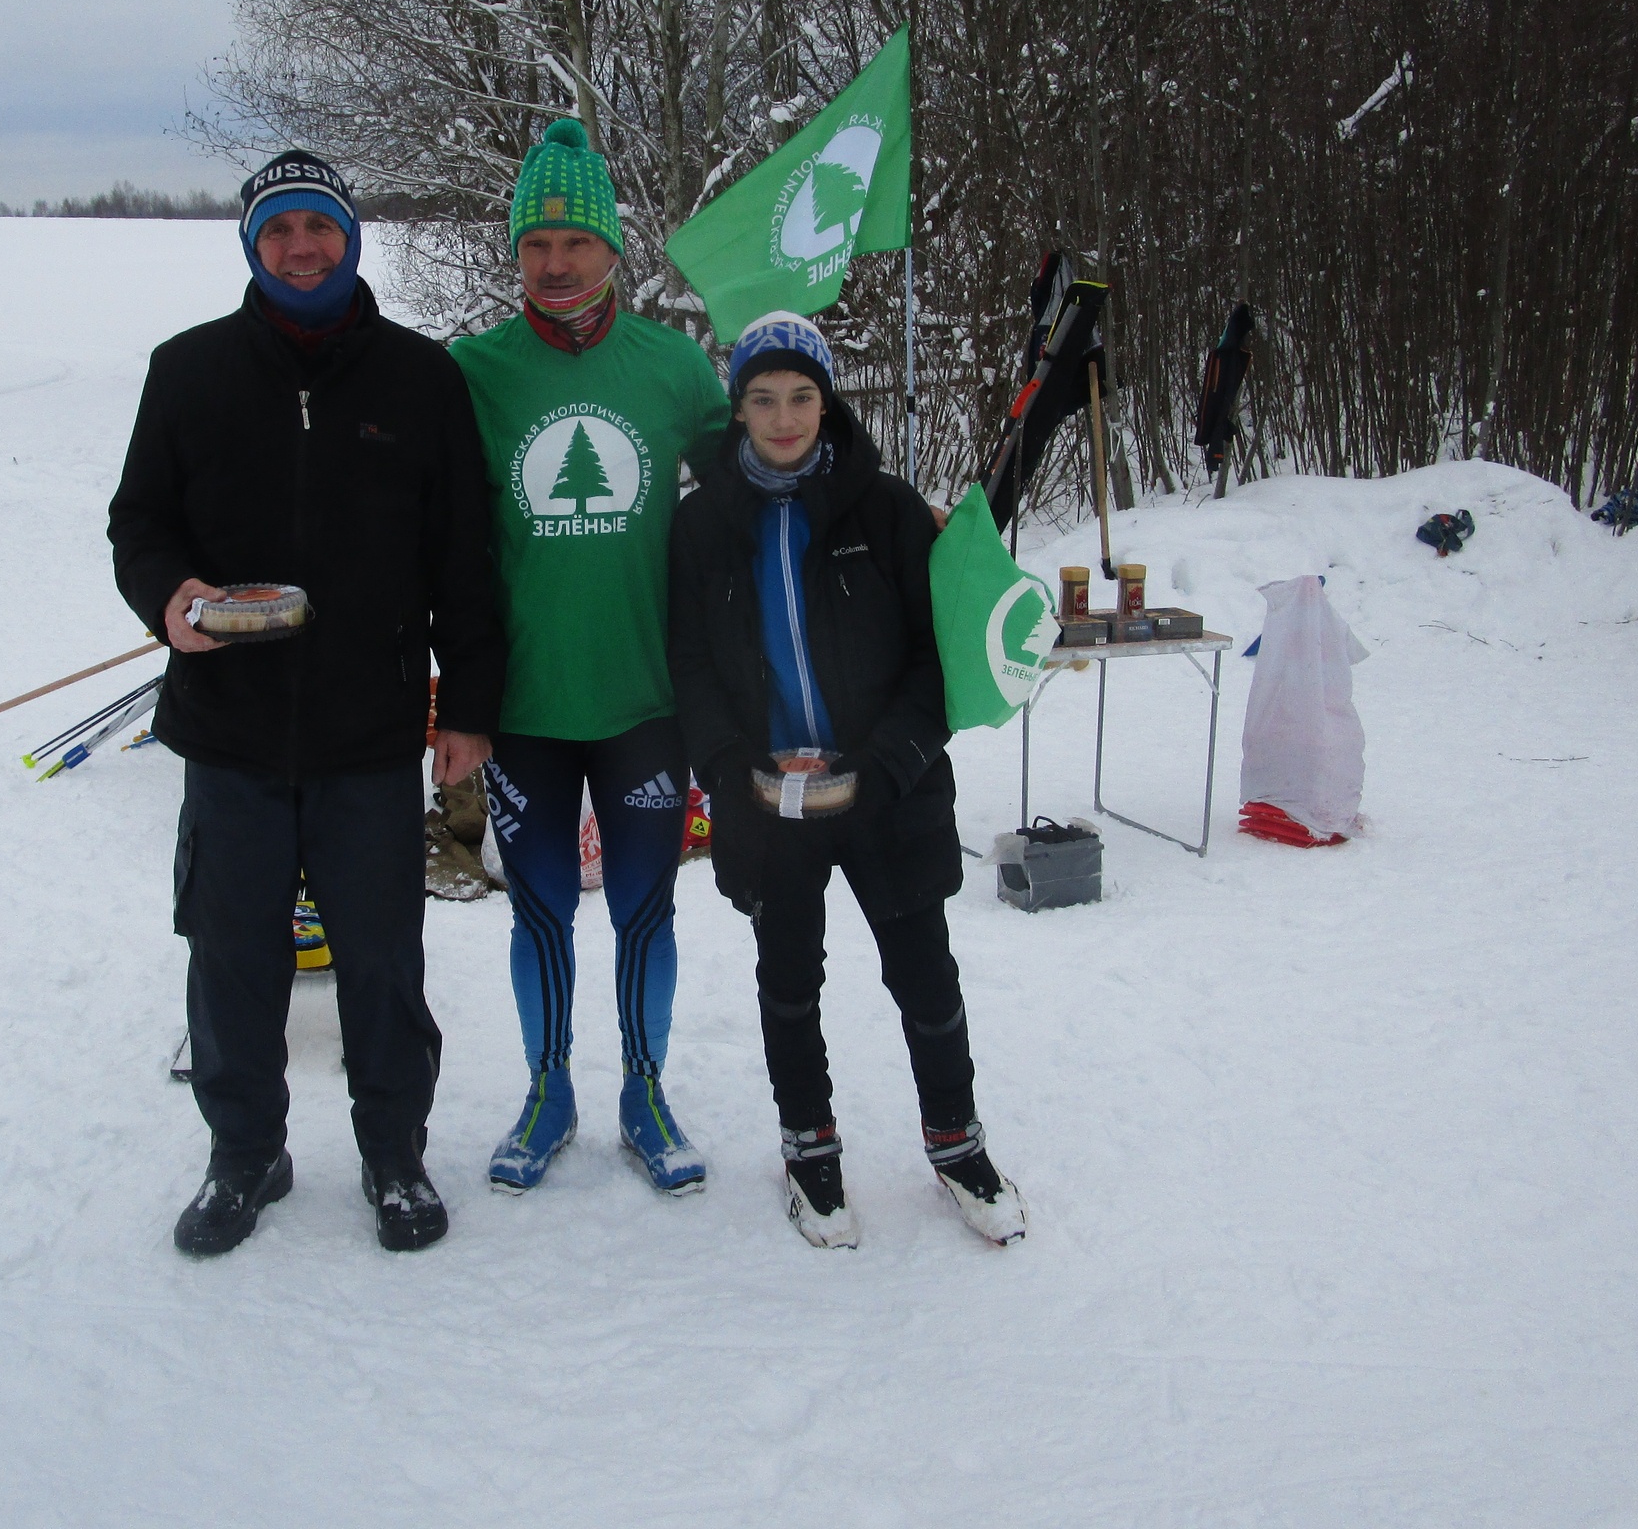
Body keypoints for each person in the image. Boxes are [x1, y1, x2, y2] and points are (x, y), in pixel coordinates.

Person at [110, 148, 503, 1257]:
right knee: (231, 954)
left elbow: (462, 561)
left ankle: (394, 1157)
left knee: (380, 959)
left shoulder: (421, 380)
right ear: (250, 245)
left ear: (351, 240)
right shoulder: (186, 372)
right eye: (278, 229)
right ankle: (246, 1155)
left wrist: (465, 709)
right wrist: (170, 595)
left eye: (318, 227)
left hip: (368, 735)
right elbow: (137, 522)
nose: (300, 247)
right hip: (228, 730)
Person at [667, 312, 1026, 1248]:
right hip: (768, 799)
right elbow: (692, 668)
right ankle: (809, 1150)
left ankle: (958, 1144)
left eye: (802, 397)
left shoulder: (889, 509)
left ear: (827, 402)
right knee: (789, 980)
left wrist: (888, 763)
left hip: (888, 793)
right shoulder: (703, 523)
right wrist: (734, 768)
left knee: (925, 976)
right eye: (763, 398)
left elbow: (934, 659)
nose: (784, 418)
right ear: (738, 407)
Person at [450, 117, 729, 1195]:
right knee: (539, 912)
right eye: (535, 244)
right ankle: (547, 1087)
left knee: (646, 911)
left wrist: (890, 520)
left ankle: (645, 1091)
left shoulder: (673, 369)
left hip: (647, 701)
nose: (555, 264)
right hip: (522, 703)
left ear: (617, 249)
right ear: (514, 254)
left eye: (575, 242)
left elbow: (762, 491)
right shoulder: (473, 372)